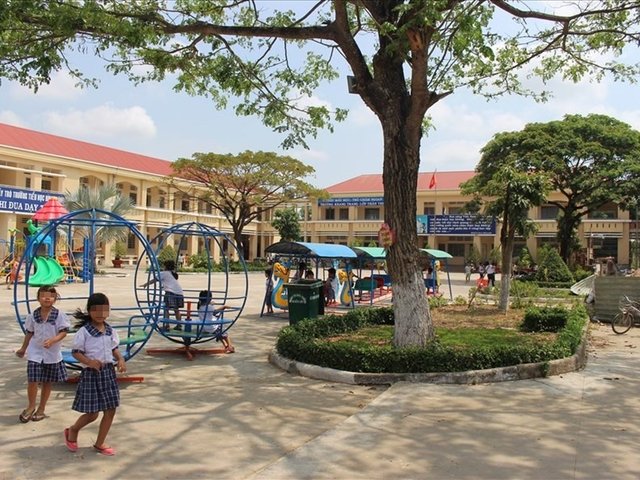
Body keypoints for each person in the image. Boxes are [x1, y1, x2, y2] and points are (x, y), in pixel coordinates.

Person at [65, 293, 126, 457]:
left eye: (104, 310)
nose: (100, 314)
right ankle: (73, 430)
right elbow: (76, 352)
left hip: (108, 373)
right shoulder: (84, 332)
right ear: (89, 311)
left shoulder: (110, 331)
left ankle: (100, 443)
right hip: (91, 374)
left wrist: (120, 359)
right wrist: (89, 362)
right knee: (92, 413)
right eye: (96, 310)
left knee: (110, 410)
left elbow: (114, 348)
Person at [15, 285, 70, 423]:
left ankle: (41, 409)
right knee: (32, 380)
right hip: (35, 352)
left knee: (47, 381)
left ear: (55, 298)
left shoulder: (59, 315)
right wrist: (23, 348)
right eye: (43, 296)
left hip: (52, 354)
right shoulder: (32, 316)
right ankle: (31, 407)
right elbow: (29, 333)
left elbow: (63, 332)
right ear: (38, 298)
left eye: (51, 296)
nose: (47, 298)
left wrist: (53, 340)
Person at [140, 259, 184, 331]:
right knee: (176, 310)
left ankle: (167, 325)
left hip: (171, 293)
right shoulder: (172, 273)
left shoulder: (164, 273)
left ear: (165, 266)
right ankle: (179, 325)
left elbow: (155, 280)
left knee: (166, 309)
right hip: (179, 293)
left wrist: (145, 284)